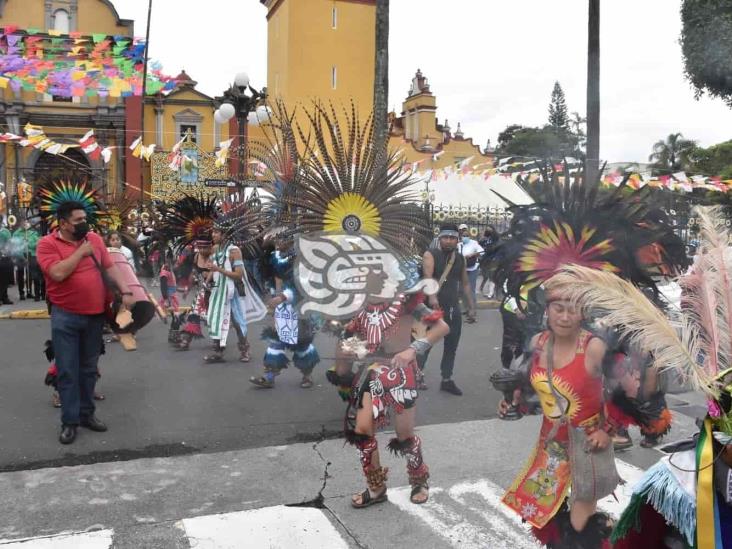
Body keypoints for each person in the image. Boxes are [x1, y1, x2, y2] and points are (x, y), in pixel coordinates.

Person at [499, 287, 616, 547]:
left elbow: (622, 390)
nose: (564, 317)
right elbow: (532, 390)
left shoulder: (593, 347)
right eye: (558, 308)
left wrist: (607, 430)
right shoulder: (537, 344)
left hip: (587, 447)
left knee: (580, 530)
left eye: (572, 310)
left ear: (582, 313)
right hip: (550, 447)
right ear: (547, 310)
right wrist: (514, 404)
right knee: (548, 520)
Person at [37, 197, 135, 445]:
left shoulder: (94, 239)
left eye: (84, 218)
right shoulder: (47, 244)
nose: (84, 223)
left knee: (89, 370)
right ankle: (69, 422)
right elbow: (57, 273)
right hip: (65, 317)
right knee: (68, 371)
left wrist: (126, 291)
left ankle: (87, 415)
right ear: (64, 224)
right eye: (78, 220)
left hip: (95, 317)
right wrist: (81, 252)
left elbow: (111, 268)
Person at [249, 232, 320, 388]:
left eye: (282, 238)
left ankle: (307, 375)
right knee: (276, 341)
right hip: (282, 308)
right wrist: (265, 247)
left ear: (291, 240)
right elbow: (270, 276)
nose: (278, 241)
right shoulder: (275, 256)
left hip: (299, 308)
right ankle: (269, 377)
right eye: (277, 238)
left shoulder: (301, 259)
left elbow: (301, 286)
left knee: (301, 345)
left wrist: (282, 297)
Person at [417, 223, 476, 395]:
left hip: (452, 307)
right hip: (431, 308)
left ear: (457, 239)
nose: (449, 241)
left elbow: (465, 283)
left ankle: (447, 379)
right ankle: (417, 375)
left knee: (452, 345)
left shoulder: (459, 258)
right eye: (446, 237)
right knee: (425, 344)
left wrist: (471, 306)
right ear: (440, 238)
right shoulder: (430, 254)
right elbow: (428, 278)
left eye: (452, 238)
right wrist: (433, 297)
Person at [458, 223, 483, 315]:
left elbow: (482, 252)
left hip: (472, 269)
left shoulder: (474, 243)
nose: (465, 237)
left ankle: (473, 309)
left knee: (471, 289)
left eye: (467, 235)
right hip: (462, 269)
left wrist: (472, 254)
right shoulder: (459, 244)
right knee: (461, 290)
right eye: (463, 235)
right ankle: (466, 308)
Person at [478, 226, 500, 298]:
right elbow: (480, 244)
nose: (487, 230)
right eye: (487, 229)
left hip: (494, 259)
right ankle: (490, 292)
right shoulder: (486, 239)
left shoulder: (495, 238)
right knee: (487, 276)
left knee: (492, 276)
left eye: (489, 229)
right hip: (487, 260)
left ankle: (491, 293)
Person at [0, 221, 13, 304]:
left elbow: (9, 243)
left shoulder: (6, 231)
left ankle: (4, 297)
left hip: (5, 257)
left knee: (5, 279)